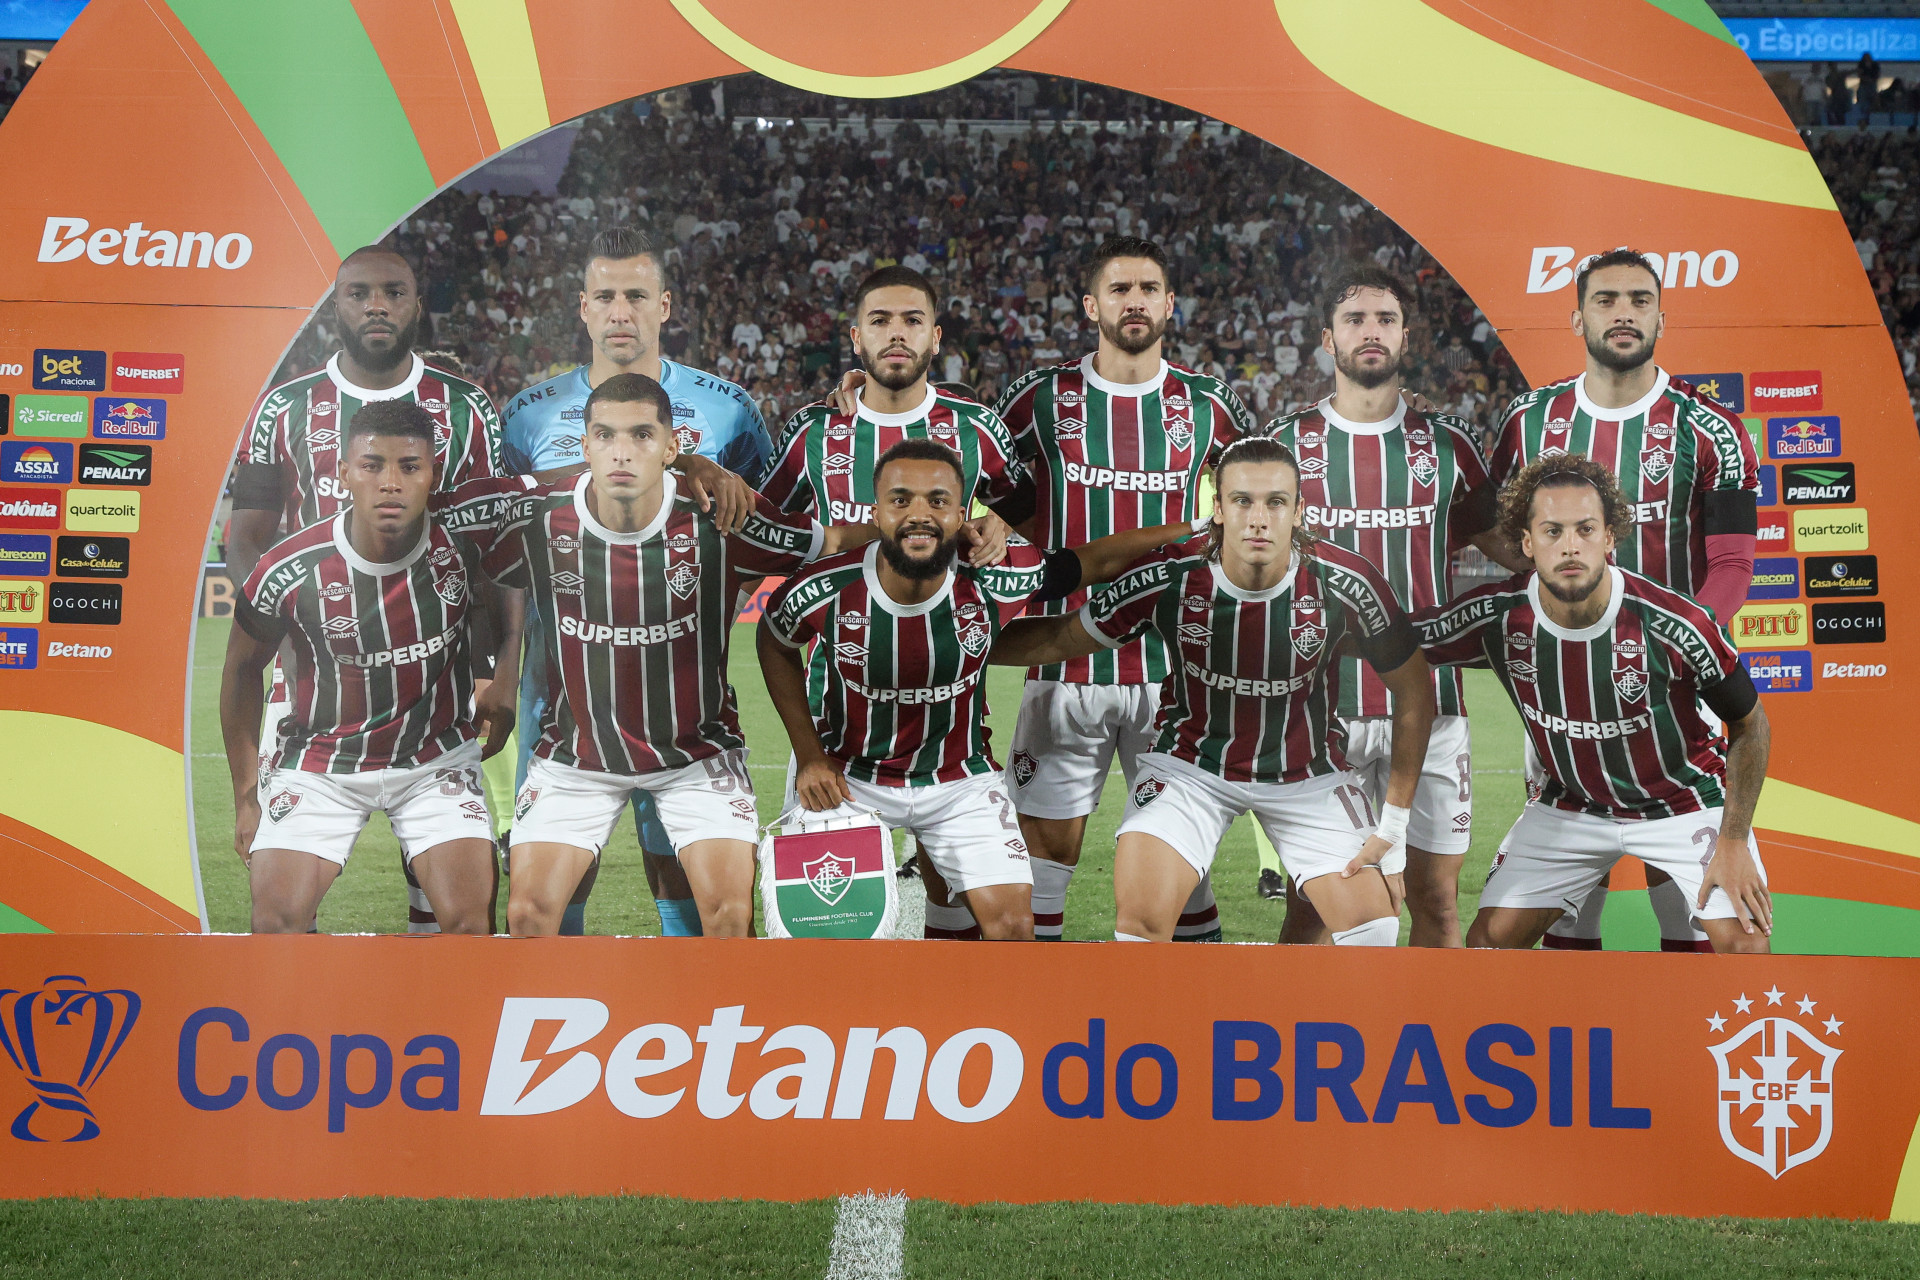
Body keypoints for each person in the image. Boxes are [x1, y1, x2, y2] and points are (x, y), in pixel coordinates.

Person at [448, 373, 868, 936]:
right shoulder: (539, 516)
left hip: (697, 757)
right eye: (605, 435)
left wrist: (944, 531)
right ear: (585, 446)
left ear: (674, 446)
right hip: (575, 759)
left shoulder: (722, 518)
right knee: (528, 916)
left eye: (642, 435)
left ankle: (712, 1025)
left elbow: (831, 541)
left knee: (730, 917)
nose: (622, 451)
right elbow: (432, 514)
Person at [988, 437, 1436, 944]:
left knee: (1374, 933)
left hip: (1309, 775)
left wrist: (1394, 827)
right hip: (1190, 770)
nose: (1259, 519)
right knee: (1140, 927)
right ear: (1217, 508)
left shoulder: (1348, 582)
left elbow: (1416, 692)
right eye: (1242, 500)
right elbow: (1057, 637)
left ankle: (1284, 1017)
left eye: (1276, 502)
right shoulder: (1169, 576)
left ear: (1299, 511)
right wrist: (950, 647)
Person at [758, 439, 1198, 940]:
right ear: (876, 511)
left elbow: (1088, 565)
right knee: (826, 938)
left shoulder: (1001, 572)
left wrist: (1198, 529)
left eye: (938, 501)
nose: (919, 514)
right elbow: (773, 641)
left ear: (965, 512)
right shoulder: (825, 586)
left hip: (958, 779)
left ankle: (966, 1015)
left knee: (1013, 927)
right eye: (901, 500)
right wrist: (809, 755)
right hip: (846, 775)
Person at [498, 226, 773, 938]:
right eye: (607, 296)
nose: (622, 311)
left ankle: (693, 1023)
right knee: (551, 881)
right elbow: (500, 552)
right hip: (559, 696)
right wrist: (496, 673)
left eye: (638, 295)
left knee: (678, 861)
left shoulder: (728, 408)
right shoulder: (527, 413)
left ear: (665, 306)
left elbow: (769, 524)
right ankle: (556, 1024)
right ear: (583, 308)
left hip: (679, 697)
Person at [228, 245, 512, 935]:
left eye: (393, 291)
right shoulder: (284, 408)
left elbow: (498, 553)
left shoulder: (467, 408)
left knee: (453, 892)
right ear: (337, 307)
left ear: (418, 304)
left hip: (434, 688)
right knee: (283, 899)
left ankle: (427, 1010)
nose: (376, 305)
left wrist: (498, 671)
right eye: (359, 294)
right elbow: (245, 536)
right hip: (314, 685)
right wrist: (283, 621)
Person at [1487, 247, 1758, 953]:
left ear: (1662, 316)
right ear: (1577, 315)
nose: (1624, 314)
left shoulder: (1711, 430)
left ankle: (1678, 1050)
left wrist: (1687, 651)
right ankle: (1577, 1053)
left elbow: (1731, 563)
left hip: (1673, 683)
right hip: (1560, 688)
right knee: (1571, 888)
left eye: (1639, 300)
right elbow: (1495, 531)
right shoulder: (1529, 420)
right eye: (1606, 300)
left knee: (1688, 900)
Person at [990, 235, 1257, 944]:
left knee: (1183, 867)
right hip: (1064, 663)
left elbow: (1265, 487)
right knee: (1043, 859)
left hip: (1177, 674)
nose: (1133, 300)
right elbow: (974, 477)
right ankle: (1036, 1022)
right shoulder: (1042, 398)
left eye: (1147, 288)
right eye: (1118, 289)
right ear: (1091, 305)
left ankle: (1189, 1028)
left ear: (1170, 304)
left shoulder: (1207, 403)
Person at [765, 264, 1032, 939]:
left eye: (912, 320)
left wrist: (1006, 521)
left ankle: (949, 1033)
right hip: (839, 733)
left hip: (948, 720)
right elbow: (767, 538)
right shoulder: (815, 434)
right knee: (837, 933)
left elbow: (1029, 512)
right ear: (855, 339)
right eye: (880, 321)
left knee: (963, 903)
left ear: (935, 337)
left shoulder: (976, 428)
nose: (896, 333)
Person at [1415, 454, 1772, 954]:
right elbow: (1391, 639)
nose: (1570, 546)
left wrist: (1733, 841)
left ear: (1609, 538)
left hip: (1683, 804)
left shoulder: (1677, 625)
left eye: (1585, 529)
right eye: (1552, 531)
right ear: (1525, 543)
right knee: (1488, 946)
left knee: (1746, 949)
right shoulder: (1497, 616)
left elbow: (1750, 726)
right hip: (1572, 807)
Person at [1263, 265, 1506, 947]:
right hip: (1318, 709)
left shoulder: (1451, 445)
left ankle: (1437, 1040)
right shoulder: (1284, 445)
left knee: (1436, 898)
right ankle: (1299, 1043)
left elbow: (1508, 548)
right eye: (1355, 320)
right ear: (1327, 340)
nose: (1371, 332)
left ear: (1406, 336)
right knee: (1316, 903)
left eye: (1386, 320)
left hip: (1432, 707)